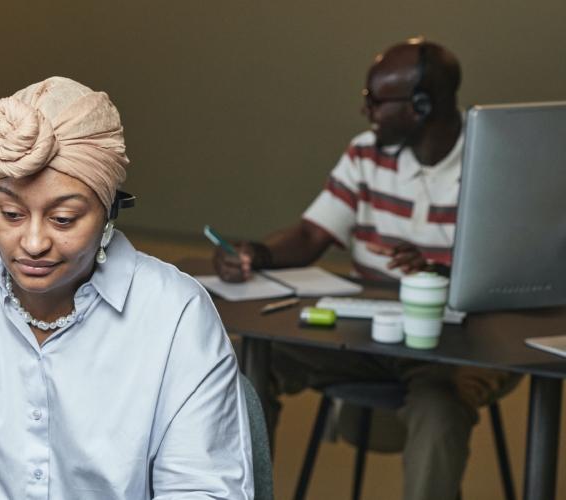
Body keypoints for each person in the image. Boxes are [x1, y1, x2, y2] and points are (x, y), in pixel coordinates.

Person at [0, 77, 252, 499]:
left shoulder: (175, 316)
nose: (33, 244)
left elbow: (203, 488)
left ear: (110, 213)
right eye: (11, 213)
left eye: (64, 219)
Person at [213, 39, 517, 500]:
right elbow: (313, 235)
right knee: (244, 362)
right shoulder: (365, 153)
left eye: (375, 100)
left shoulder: (493, 162)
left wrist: (437, 270)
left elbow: (513, 273)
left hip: (460, 346)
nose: (365, 111)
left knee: (439, 409)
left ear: (419, 106)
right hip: (368, 335)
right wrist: (255, 253)